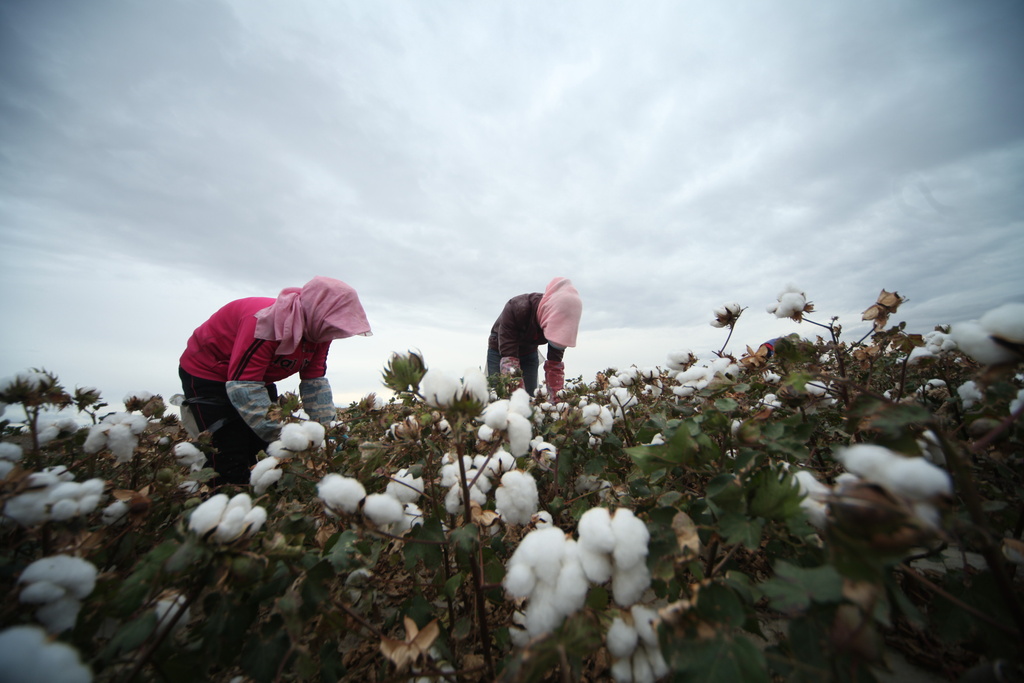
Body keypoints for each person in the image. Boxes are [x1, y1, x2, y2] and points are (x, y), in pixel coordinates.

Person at [178, 276, 371, 485]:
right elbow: (243, 386)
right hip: (209, 373)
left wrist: (330, 430)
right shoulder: (265, 322)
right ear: (316, 310)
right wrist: (287, 437)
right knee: (228, 452)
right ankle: (222, 497)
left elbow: (315, 383)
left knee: (261, 450)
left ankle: (259, 500)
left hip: (256, 379)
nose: (335, 332)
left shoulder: (319, 330)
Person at [487, 277, 583, 396]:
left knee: (530, 395)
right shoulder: (517, 307)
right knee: (500, 394)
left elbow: (554, 365)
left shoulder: (563, 320)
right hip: (500, 350)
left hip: (529, 352)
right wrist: (517, 399)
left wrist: (557, 400)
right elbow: (509, 363)